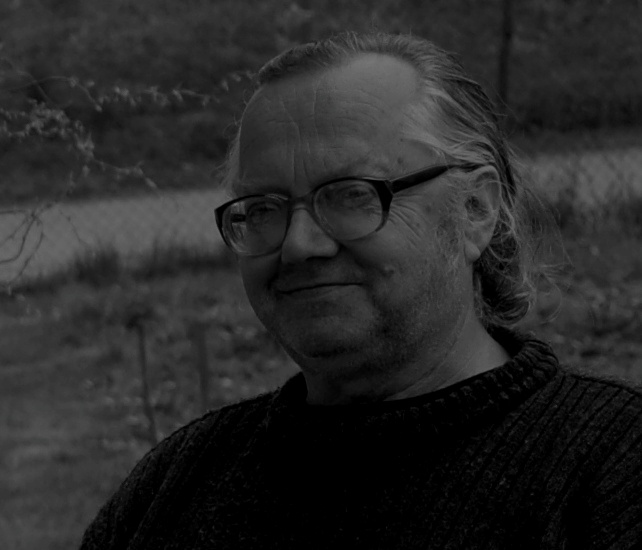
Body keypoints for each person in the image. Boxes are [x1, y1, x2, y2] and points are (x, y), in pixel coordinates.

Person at [80, 31, 642, 549]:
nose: (298, 244)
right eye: (265, 208)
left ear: (475, 210)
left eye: (352, 195)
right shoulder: (175, 486)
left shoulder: (612, 473)